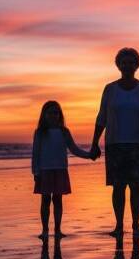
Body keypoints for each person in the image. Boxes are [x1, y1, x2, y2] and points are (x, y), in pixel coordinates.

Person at [91, 48, 139, 237]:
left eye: (131, 62)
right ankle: (119, 226)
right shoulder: (110, 89)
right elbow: (101, 117)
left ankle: (136, 225)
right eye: (124, 63)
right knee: (118, 187)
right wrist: (94, 143)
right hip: (115, 144)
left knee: (137, 187)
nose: (127, 66)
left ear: (136, 65)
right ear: (118, 65)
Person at [32, 100, 95, 238]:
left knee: (58, 200)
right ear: (44, 115)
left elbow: (74, 149)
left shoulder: (64, 131)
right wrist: (35, 172)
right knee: (45, 200)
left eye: (56, 113)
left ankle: (58, 230)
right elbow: (35, 153)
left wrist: (89, 155)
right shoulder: (40, 132)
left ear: (60, 115)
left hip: (60, 169)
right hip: (45, 170)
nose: (53, 116)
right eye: (50, 113)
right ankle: (45, 230)